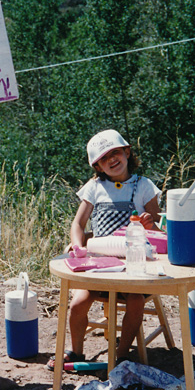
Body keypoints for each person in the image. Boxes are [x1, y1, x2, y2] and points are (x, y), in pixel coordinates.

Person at [46, 129, 162, 370]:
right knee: (78, 302)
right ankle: (77, 351)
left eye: (116, 152)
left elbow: (160, 228)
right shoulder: (94, 187)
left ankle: (121, 355)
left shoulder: (144, 186)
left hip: (133, 263)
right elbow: (78, 224)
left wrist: (151, 224)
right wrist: (77, 245)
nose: (112, 159)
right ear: (97, 166)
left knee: (136, 302)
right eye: (104, 158)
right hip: (98, 264)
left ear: (127, 152)